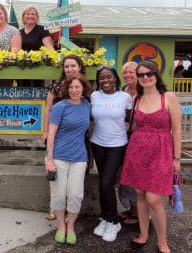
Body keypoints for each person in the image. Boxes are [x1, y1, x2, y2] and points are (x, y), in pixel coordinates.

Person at [120, 60, 182, 253]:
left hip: (162, 151)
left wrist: (177, 159)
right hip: (138, 151)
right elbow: (133, 125)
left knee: (154, 199)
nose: (145, 77)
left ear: (157, 75)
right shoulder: (136, 98)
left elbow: (178, 130)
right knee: (139, 195)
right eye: (141, 75)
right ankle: (144, 234)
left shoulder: (168, 97)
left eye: (149, 74)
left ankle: (162, 240)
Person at [46, 73, 92, 245]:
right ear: (67, 89)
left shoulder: (87, 106)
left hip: (79, 157)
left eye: (77, 87)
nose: (74, 90)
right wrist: (49, 158)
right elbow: (51, 133)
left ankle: (70, 225)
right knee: (58, 195)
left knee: (75, 195)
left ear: (83, 89)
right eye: (71, 87)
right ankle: (61, 226)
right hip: (58, 156)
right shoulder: (60, 107)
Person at [90, 65, 132, 242]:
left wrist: (127, 127)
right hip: (98, 143)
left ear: (115, 78)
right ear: (98, 81)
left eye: (109, 77)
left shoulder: (125, 97)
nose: (105, 80)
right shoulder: (94, 96)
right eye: (102, 78)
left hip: (117, 144)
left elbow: (129, 118)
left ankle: (114, 222)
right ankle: (105, 218)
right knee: (102, 183)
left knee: (107, 182)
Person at [43, 54, 86, 221]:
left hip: (78, 135)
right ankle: (54, 208)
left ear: (80, 67)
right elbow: (47, 110)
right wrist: (46, 131)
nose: (69, 69)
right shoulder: (55, 87)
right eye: (67, 66)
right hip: (56, 133)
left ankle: (71, 211)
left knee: (75, 178)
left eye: (73, 66)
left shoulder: (84, 87)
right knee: (55, 172)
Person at [117, 61, 139, 225]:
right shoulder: (123, 90)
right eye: (125, 73)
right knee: (124, 173)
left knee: (135, 175)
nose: (128, 75)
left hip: (138, 138)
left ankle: (138, 212)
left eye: (131, 72)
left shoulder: (144, 92)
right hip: (124, 137)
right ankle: (130, 208)